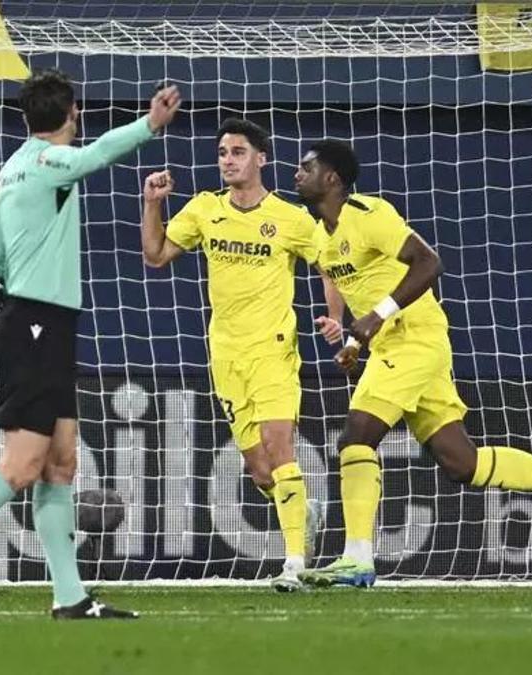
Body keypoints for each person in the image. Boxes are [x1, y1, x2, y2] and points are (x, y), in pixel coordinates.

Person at [0, 69, 179, 619]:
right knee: (22, 466)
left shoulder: (11, 168)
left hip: (37, 319)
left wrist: (2, 293)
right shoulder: (49, 162)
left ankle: (69, 597)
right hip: (34, 323)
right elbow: (88, 158)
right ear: (71, 113)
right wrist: (150, 124)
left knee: (61, 465)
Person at [292, 139, 532, 588]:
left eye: (307, 167)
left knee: (358, 436)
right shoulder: (321, 235)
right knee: (461, 463)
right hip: (398, 347)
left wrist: (376, 317)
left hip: (415, 338)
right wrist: (357, 342)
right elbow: (365, 288)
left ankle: (357, 558)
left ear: (332, 178)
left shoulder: (369, 215)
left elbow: (429, 263)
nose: (297, 173)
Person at [140, 118, 341, 590]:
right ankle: (301, 510)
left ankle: (295, 563)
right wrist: (153, 204)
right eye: (223, 153)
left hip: (273, 349)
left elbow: (329, 267)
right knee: (260, 469)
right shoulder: (205, 209)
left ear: (261, 159)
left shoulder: (290, 218)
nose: (228, 160)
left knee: (279, 446)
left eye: (237, 152)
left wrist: (335, 319)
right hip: (226, 354)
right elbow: (155, 255)